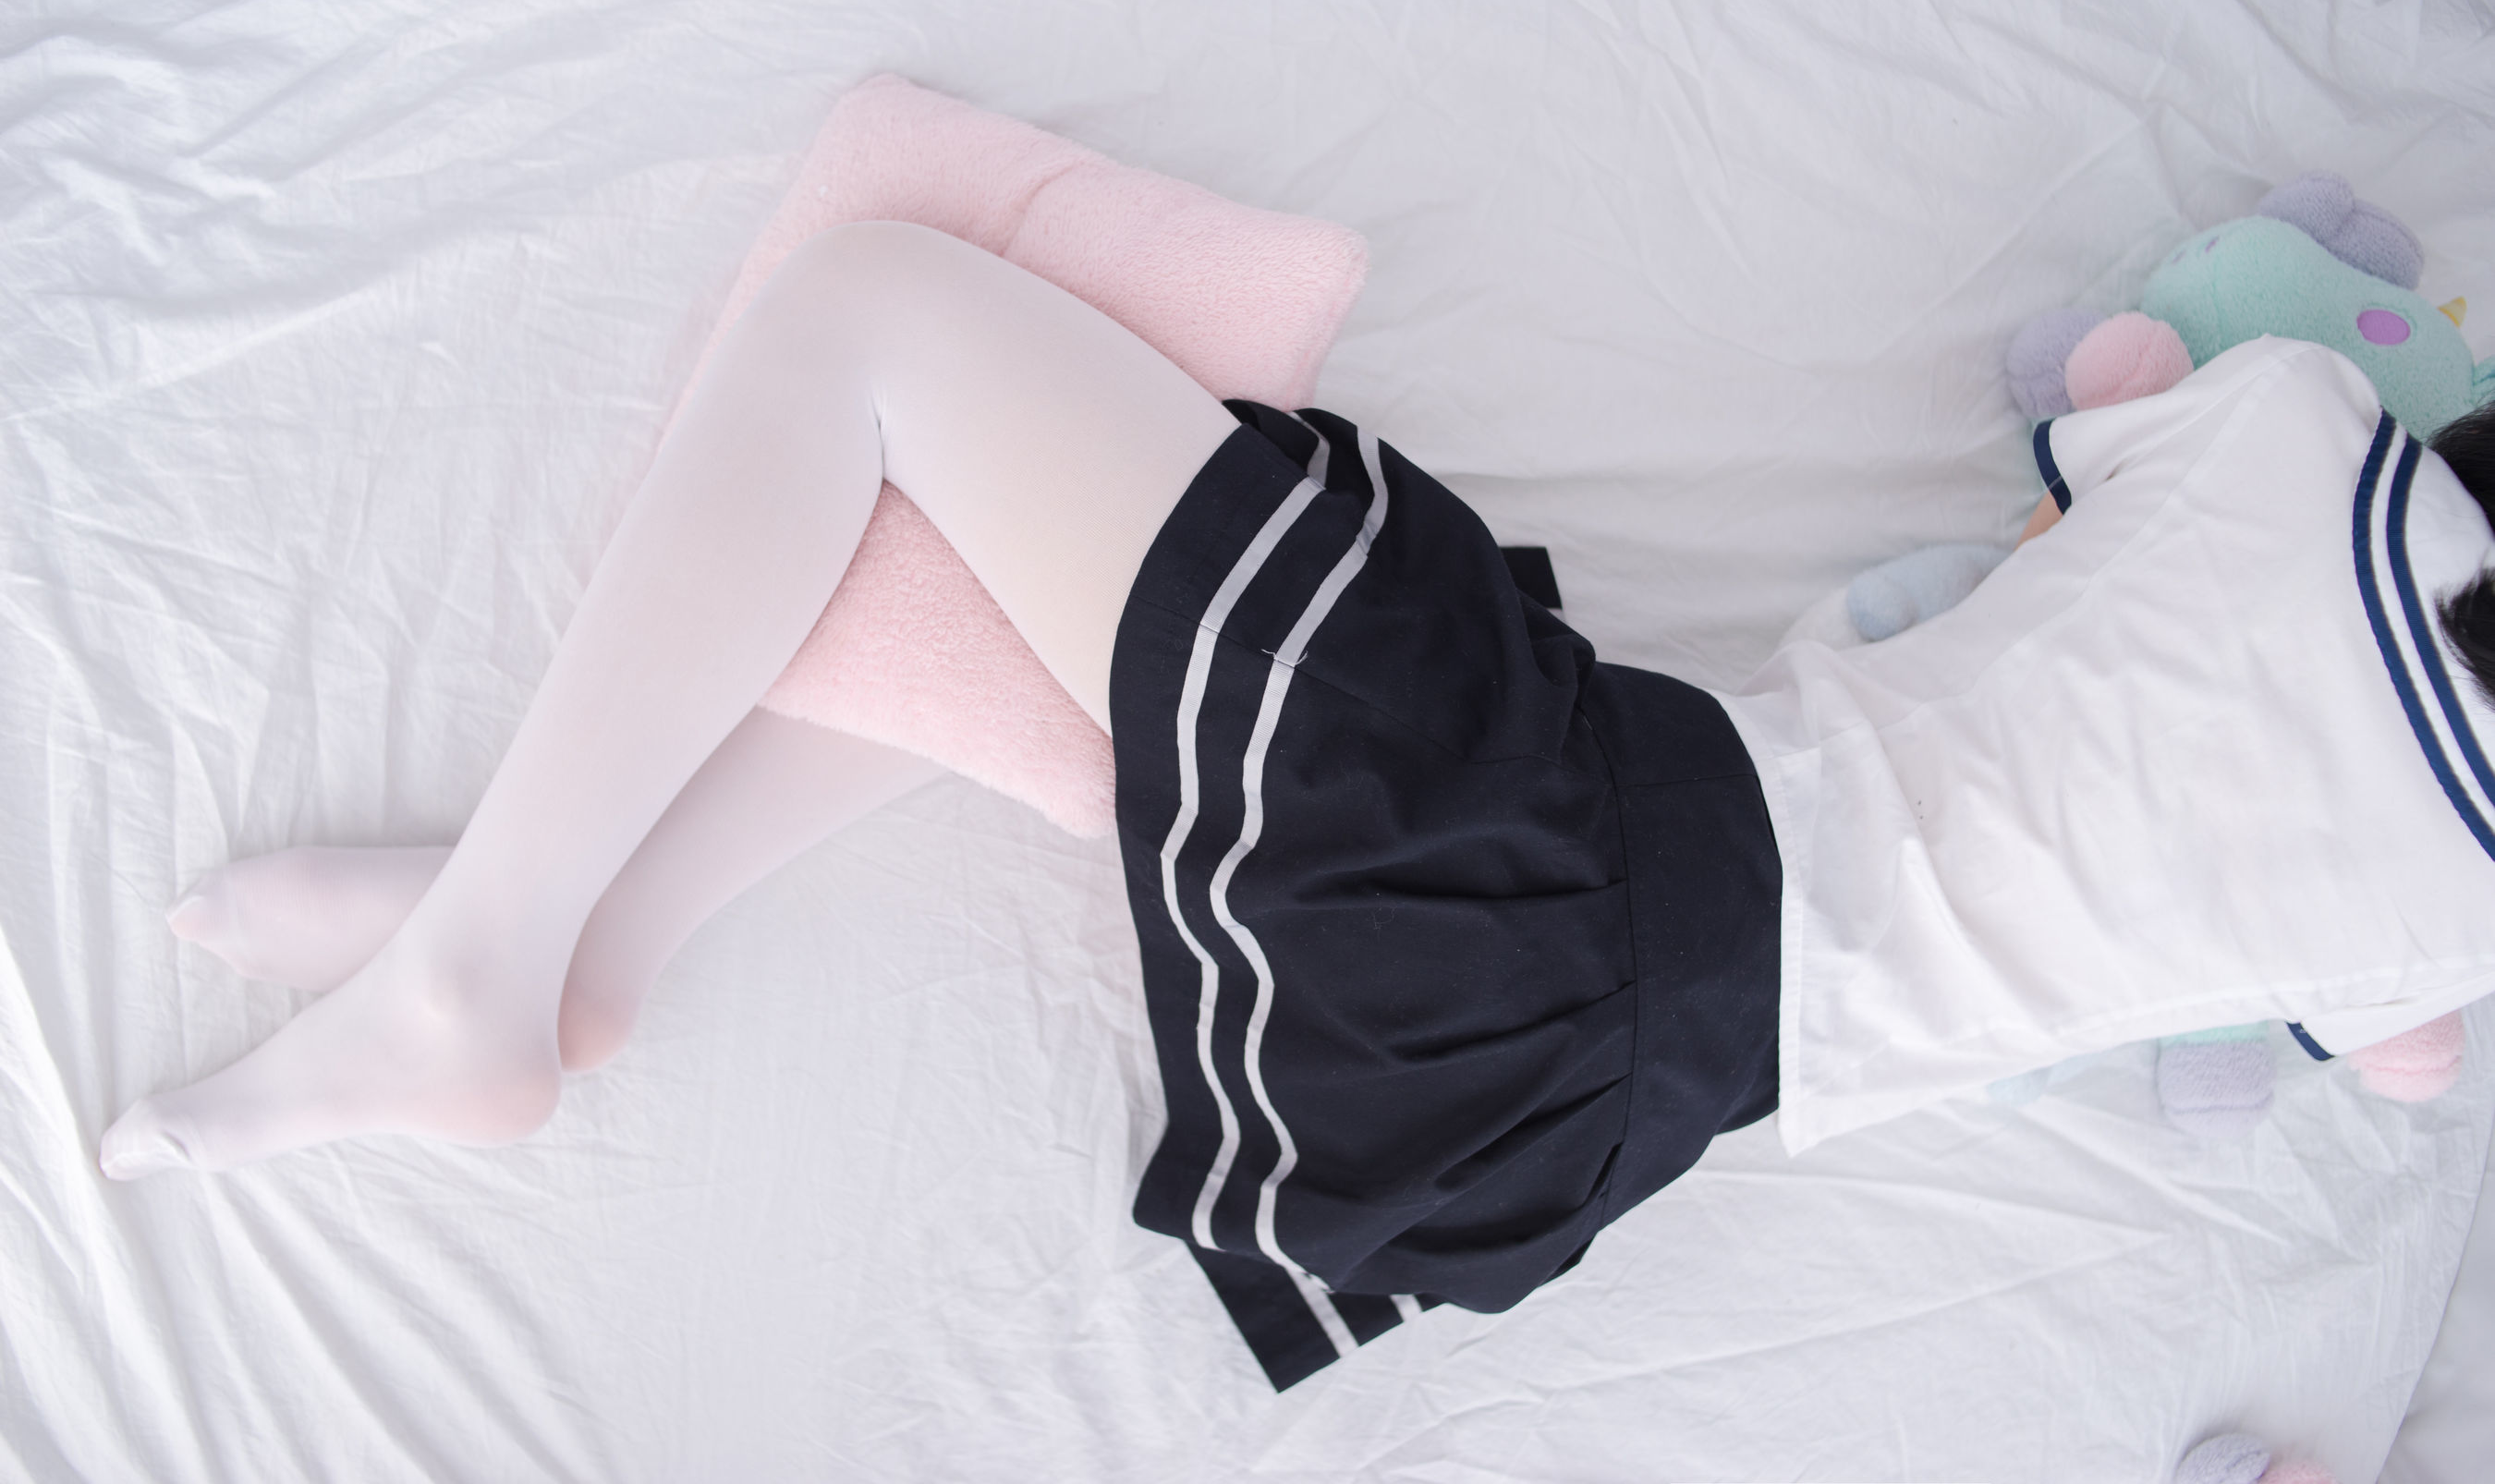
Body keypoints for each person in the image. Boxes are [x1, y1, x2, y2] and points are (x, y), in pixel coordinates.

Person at [99, 222, 2495, 1391]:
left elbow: (2099, 422)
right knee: (1123, 614)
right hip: (1543, 1111)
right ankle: (574, 939)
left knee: (873, 314)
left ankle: (481, 966)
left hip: (1538, 836)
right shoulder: (2461, 923)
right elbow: (2375, 1054)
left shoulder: (2323, 445)